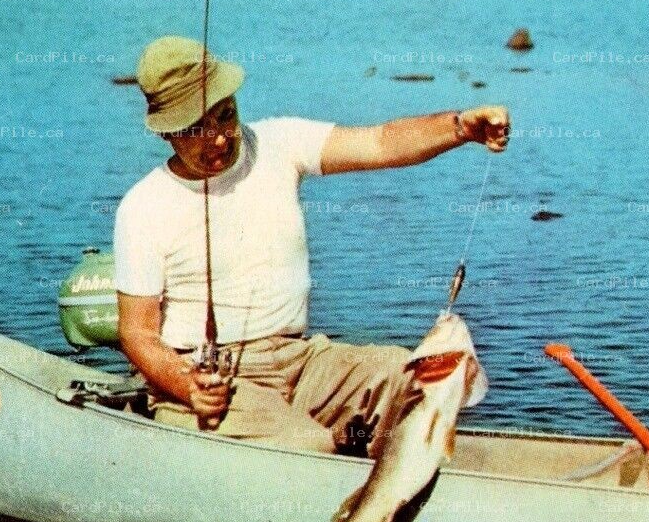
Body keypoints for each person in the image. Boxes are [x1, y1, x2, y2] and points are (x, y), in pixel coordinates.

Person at [113, 35, 509, 454]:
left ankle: (362, 454)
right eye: (196, 129)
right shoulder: (143, 206)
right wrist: (187, 385)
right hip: (205, 378)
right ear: (167, 133)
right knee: (306, 443)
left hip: (299, 360)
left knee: (410, 376)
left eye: (225, 116)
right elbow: (137, 332)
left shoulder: (277, 143)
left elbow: (381, 142)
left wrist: (460, 128)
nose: (219, 139)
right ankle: (336, 447)